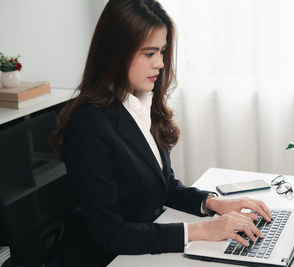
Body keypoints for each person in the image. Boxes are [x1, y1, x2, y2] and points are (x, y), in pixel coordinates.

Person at [52, 0, 273, 266]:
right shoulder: (88, 124)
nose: (159, 63)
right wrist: (201, 231)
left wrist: (212, 204)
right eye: (149, 53)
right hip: (109, 257)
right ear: (115, 52)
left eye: (163, 51)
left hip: (148, 240)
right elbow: (109, 234)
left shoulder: (140, 102)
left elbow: (163, 186)